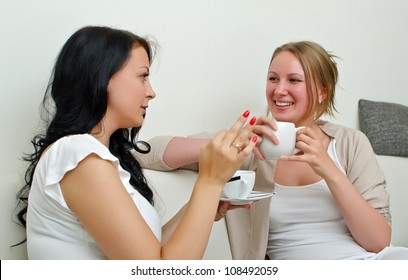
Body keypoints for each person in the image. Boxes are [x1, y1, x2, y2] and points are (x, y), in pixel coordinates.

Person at [135, 41, 408, 260]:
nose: (279, 90)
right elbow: (145, 151)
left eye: (294, 80)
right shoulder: (249, 147)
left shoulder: (350, 143)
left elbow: (378, 242)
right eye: (273, 78)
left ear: (322, 92)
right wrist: (232, 142)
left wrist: (329, 169)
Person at [15, 25, 259, 260]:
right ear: (102, 77)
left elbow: (152, 254)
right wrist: (211, 180)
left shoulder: (93, 156)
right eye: (143, 76)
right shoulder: (78, 156)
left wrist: (205, 207)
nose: (151, 92)